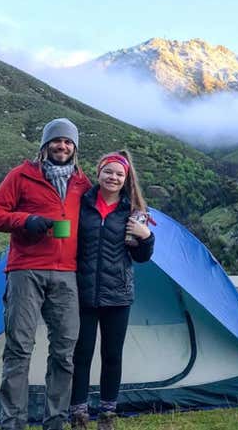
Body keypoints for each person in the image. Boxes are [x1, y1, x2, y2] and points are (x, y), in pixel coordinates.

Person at [0, 118, 91, 430]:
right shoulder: (21, 175)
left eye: (69, 142)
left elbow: (107, 209)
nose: (62, 146)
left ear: (75, 148)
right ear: (45, 145)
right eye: (56, 141)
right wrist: (25, 220)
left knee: (64, 353)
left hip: (67, 275)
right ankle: (12, 423)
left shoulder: (82, 183)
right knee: (19, 349)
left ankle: (55, 421)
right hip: (25, 271)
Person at [69, 150, 155, 430]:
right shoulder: (81, 204)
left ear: (126, 178)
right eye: (109, 172)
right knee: (81, 354)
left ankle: (107, 414)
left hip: (118, 295)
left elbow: (141, 257)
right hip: (83, 292)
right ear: (99, 173)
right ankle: (79, 414)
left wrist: (147, 238)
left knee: (112, 355)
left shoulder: (132, 211)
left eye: (119, 174)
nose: (113, 178)